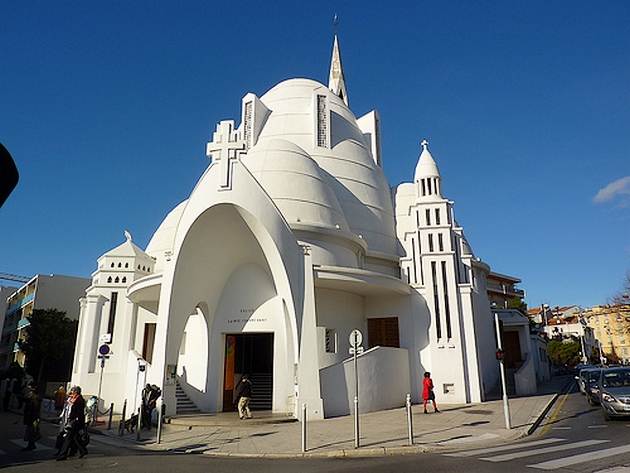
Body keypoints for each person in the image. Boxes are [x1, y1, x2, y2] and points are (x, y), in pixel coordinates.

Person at [56, 386, 87, 461]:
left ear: (76, 393)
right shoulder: (73, 400)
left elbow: (79, 412)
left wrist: (72, 416)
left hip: (75, 422)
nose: (70, 395)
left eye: (72, 393)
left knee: (68, 438)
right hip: (73, 421)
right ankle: (83, 450)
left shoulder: (79, 400)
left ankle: (63, 455)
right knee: (75, 437)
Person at [22, 385, 42, 451]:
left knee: (31, 431)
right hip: (32, 417)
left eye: (31, 391)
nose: (30, 392)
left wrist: (35, 417)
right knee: (32, 430)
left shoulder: (35, 398)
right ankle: (32, 444)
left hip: (32, 418)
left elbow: (35, 409)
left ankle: (30, 445)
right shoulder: (33, 398)